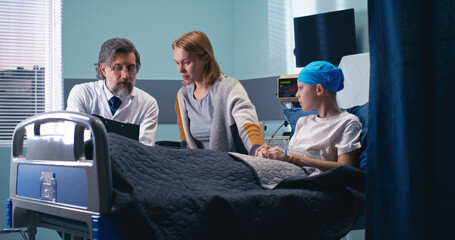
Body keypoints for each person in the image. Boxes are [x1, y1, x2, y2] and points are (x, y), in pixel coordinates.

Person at [255, 61, 362, 171]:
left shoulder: (348, 122)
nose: (297, 95)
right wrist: (270, 154)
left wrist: (288, 157)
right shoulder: (303, 121)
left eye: (301, 88)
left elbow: (346, 167)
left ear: (318, 89)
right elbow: (289, 157)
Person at [173, 31, 262, 154]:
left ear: (206, 58)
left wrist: (257, 149)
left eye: (187, 62)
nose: (181, 70)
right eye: (177, 63)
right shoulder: (182, 96)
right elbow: (185, 142)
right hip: (198, 166)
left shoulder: (230, 88)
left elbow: (247, 125)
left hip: (230, 164)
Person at [67, 38, 159, 146]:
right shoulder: (82, 94)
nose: (125, 76)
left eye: (131, 68)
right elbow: (75, 139)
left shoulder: (148, 104)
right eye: (118, 68)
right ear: (103, 69)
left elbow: (144, 152)